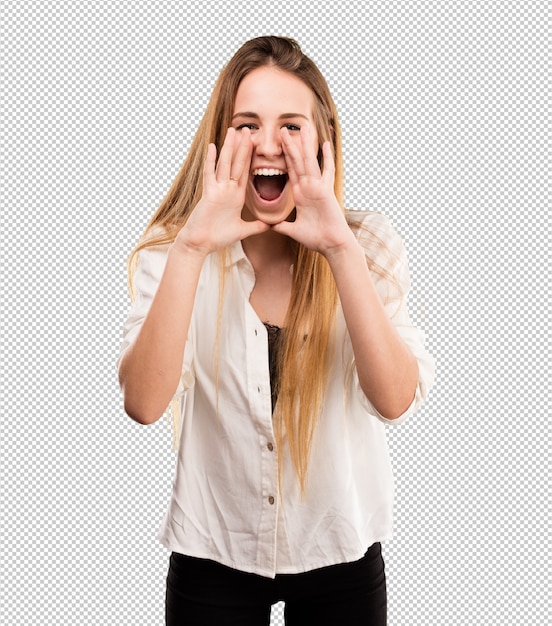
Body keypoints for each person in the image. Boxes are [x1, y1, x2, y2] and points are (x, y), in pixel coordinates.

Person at [117, 35, 435, 626]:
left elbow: (393, 401)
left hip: (338, 547)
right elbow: (143, 403)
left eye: (291, 125)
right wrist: (191, 247)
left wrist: (340, 249)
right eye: (247, 124)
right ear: (219, 138)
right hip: (214, 550)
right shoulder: (174, 250)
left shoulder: (368, 245)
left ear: (322, 140)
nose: (269, 144)